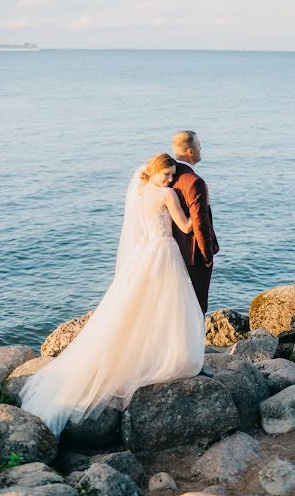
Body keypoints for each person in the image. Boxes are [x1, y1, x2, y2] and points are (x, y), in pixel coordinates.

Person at [20, 153, 205, 438]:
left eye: (171, 175)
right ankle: (162, 356)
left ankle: (145, 353)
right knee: (168, 308)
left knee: (141, 309)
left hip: (145, 254)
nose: (169, 179)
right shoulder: (167, 194)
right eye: (166, 174)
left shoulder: (142, 191)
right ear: (156, 172)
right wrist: (200, 209)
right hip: (164, 253)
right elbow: (184, 227)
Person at [171, 131, 219, 314]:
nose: (201, 149)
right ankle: (194, 342)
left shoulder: (167, 176)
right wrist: (207, 255)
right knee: (197, 306)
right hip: (194, 255)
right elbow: (200, 222)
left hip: (174, 251)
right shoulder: (194, 181)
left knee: (178, 305)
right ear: (190, 151)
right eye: (199, 146)